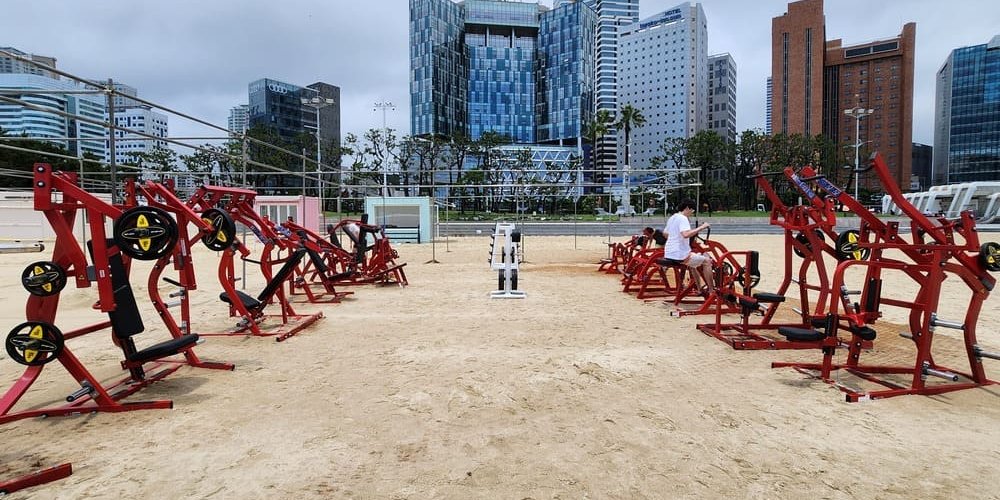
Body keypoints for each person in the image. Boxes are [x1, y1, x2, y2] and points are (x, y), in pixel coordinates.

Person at [664, 199, 714, 295]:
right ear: (687, 208)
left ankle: (699, 289)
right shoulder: (683, 218)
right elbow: (686, 234)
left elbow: (666, 234)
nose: (691, 213)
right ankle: (712, 291)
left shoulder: (672, 218)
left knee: (693, 265)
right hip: (679, 255)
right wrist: (702, 227)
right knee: (707, 261)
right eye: (692, 211)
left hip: (669, 253)